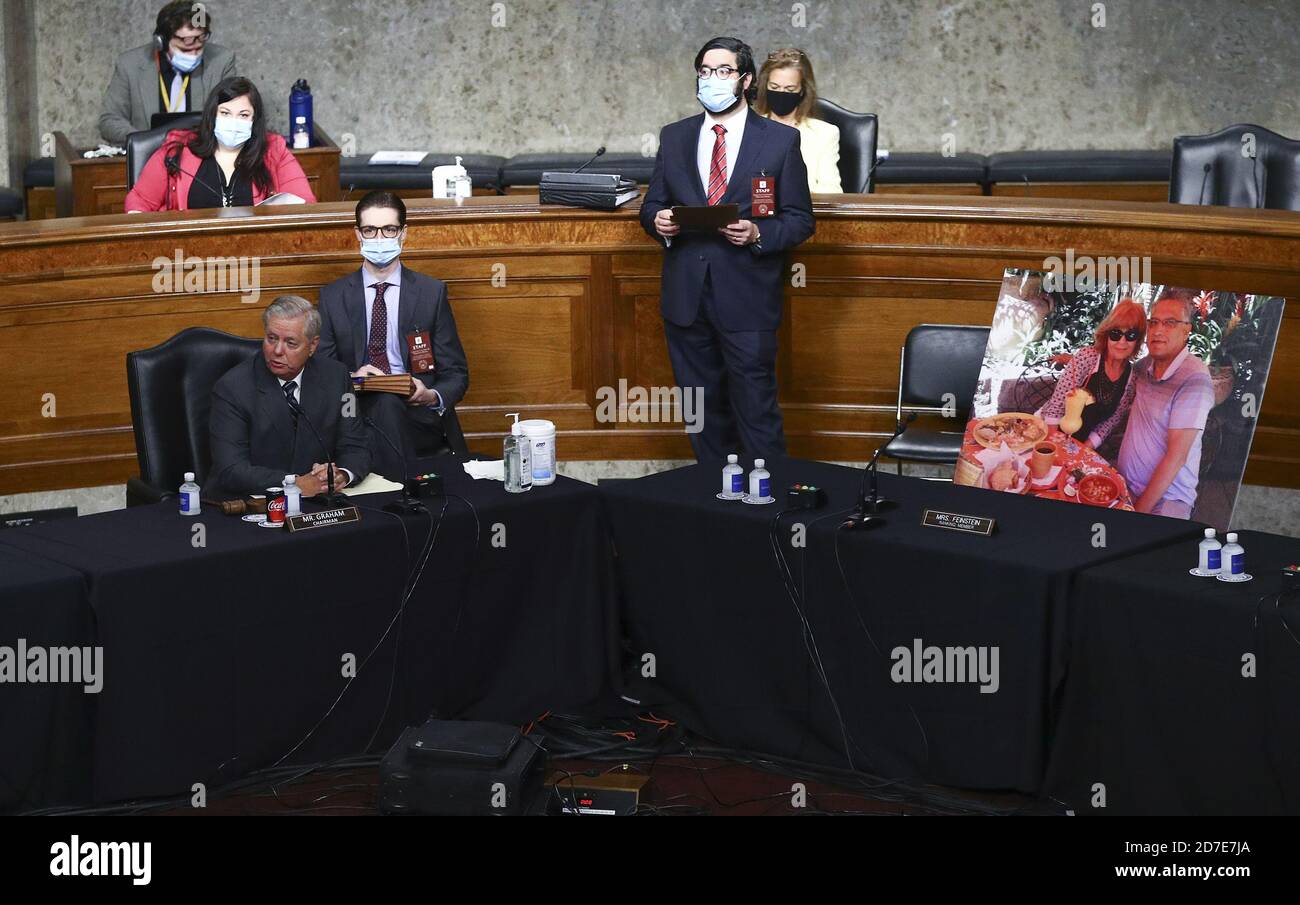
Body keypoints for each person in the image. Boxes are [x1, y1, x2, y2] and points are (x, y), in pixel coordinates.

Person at [640, 36, 815, 462]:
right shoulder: (676, 136)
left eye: (723, 72)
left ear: (746, 80)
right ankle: (713, 505)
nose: (711, 80)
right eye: (704, 72)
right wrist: (658, 222)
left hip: (747, 297)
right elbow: (652, 204)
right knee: (703, 413)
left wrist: (758, 235)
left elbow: (799, 219)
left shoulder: (778, 141)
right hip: (687, 299)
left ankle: (768, 508)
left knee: (755, 410)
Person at [317, 191, 470, 480]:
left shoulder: (430, 293)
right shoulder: (333, 296)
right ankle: (406, 493)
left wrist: (430, 395)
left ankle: (385, 496)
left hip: (415, 412)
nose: (379, 238)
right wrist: (353, 377)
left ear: (403, 234)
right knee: (382, 404)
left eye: (388, 229)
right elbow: (321, 374)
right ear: (357, 234)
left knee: (388, 404)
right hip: (354, 408)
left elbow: (457, 374)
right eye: (370, 230)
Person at [209, 295, 371, 497]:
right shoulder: (232, 389)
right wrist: (295, 484)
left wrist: (341, 475)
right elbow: (231, 470)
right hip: (251, 503)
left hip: (319, 502)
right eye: (271, 338)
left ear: (312, 346)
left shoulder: (337, 378)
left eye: (290, 343)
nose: (277, 351)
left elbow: (355, 445)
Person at [124, 76, 315, 212]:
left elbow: (305, 204)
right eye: (225, 113)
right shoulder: (178, 151)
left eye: (243, 115)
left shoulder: (274, 151)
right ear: (212, 115)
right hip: (188, 259)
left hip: (255, 258)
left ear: (254, 120)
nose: (234, 121)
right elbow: (139, 202)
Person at [1118, 295, 1215, 518]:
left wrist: (1137, 513)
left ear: (1186, 330)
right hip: (1126, 485)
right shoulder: (1144, 367)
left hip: (1168, 499)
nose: (1158, 330)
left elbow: (1177, 457)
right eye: (1154, 322)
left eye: (1170, 323)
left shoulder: (1194, 380)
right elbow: (1113, 367)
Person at [99, 1, 237, 146]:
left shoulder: (222, 61)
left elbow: (232, 116)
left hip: (201, 156)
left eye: (199, 47)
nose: (194, 54)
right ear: (161, 42)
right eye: (185, 50)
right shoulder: (129, 64)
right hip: (148, 157)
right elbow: (109, 121)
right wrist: (148, 141)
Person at [1040, 299, 1144, 450]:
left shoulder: (1131, 378)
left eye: (1131, 335)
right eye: (1116, 334)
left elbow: (1111, 420)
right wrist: (1051, 446)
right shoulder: (1088, 357)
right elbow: (1057, 404)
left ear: (1138, 340)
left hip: (1078, 445)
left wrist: (1085, 448)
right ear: (1107, 334)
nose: (1122, 341)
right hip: (1049, 432)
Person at [754, 48, 841, 193]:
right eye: (774, 87)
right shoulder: (748, 129)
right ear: (765, 86)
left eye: (789, 89)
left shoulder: (825, 134)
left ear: (802, 90)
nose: (781, 93)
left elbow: (833, 191)